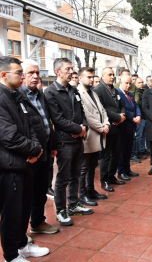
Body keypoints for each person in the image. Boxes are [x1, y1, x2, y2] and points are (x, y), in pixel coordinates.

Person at [0, 56, 49, 262]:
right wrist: (34, 149)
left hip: (26, 163)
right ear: (4, 75)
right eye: (19, 73)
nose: (23, 76)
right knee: (11, 213)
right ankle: (11, 255)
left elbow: (30, 127)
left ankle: (21, 245)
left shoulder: (16, 96)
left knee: (23, 209)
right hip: (10, 165)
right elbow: (8, 136)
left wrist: (36, 148)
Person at [44, 58, 93, 226]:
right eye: (68, 68)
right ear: (57, 71)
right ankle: (61, 210)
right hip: (64, 142)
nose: (71, 71)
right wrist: (77, 129)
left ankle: (74, 205)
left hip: (78, 139)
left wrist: (84, 127)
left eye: (72, 68)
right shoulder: (50, 92)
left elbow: (82, 112)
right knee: (63, 178)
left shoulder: (73, 90)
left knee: (76, 175)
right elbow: (57, 118)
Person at [19, 59, 59, 235]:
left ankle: (38, 222)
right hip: (27, 155)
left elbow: (47, 122)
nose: (35, 76)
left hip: (44, 152)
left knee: (41, 190)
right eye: (31, 73)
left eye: (37, 73)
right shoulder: (17, 95)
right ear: (21, 75)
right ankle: (20, 234)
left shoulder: (40, 94)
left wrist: (52, 145)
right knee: (23, 195)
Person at [77, 67, 109, 206]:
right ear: (80, 78)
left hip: (99, 134)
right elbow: (87, 115)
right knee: (84, 168)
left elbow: (102, 110)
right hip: (89, 135)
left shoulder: (93, 93)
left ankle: (91, 190)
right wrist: (101, 127)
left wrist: (106, 123)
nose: (91, 79)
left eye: (92, 77)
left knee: (92, 166)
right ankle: (82, 194)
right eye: (88, 77)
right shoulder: (79, 93)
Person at [93, 67, 126, 192]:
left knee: (116, 154)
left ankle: (112, 176)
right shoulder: (98, 90)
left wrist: (122, 116)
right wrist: (117, 117)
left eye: (113, 75)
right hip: (108, 127)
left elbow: (121, 104)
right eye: (109, 74)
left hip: (118, 127)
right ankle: (104, 180)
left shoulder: (115, 90)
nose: (112, 77)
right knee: (105, 156)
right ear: (102, 76)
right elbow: (101, 109)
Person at [117, 75, 141, 181]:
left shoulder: (130, 94)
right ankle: (121, 171)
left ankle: (127, 169)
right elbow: (121, 109)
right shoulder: (117, 94)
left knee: (128, 149)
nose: (128, 85)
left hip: (131, 126)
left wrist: (139, 115)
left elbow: (136, 106)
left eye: (130, 83)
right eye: (126, 83)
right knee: (122, 150)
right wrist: (132, 117)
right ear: (120, 82)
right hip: (123, 125)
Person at [132, 77, 147, 161]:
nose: (141, 84)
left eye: (142, 82)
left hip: (145, 117)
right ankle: (138, 152)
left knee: (143, 135)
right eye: (139, 82)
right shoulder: (136, 93)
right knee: (139, 135)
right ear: (135, 84)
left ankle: (142, 150)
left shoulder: (144, 91)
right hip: (139, 117)